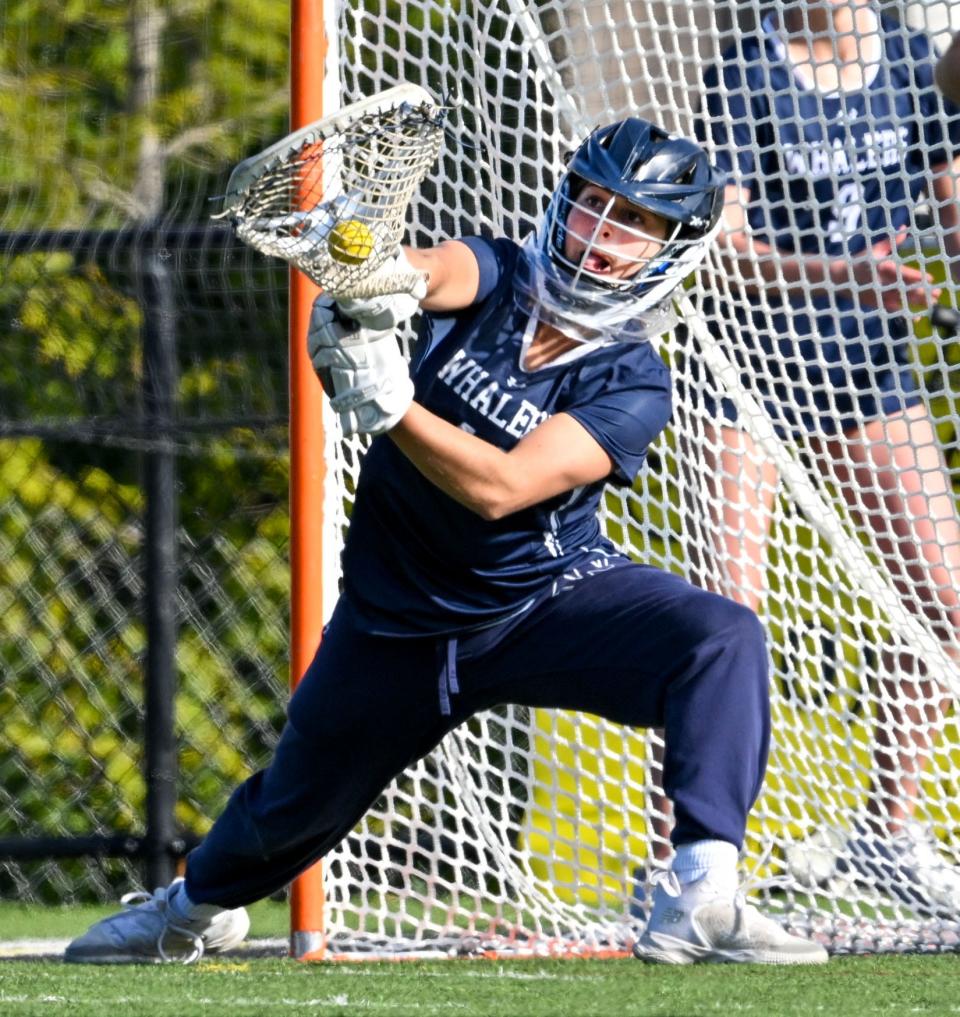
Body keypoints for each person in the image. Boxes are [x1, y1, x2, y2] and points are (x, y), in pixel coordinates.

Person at [64, 118, 827, 966]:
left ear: (669, 246)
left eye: (634, 221)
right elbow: (427, 270)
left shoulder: (634, 381)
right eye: (593, 205)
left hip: (543, 603)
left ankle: (702, 895)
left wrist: (393, 407)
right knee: (286, 815)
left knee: (720, 639)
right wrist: (371, 273)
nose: (603, 235)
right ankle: (192, 906)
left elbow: (501, 488)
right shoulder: (499, 271)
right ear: (564, 201)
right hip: (398, 619)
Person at [694, 0, 960, 915]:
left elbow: (952, 198)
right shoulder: (747, 69)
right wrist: (849, 275)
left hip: (868, 371)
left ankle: (889, 831)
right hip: (751, 371)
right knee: (723, 625)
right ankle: (686, 864)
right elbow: (723, 253)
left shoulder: (922, 58)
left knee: (946, 599)